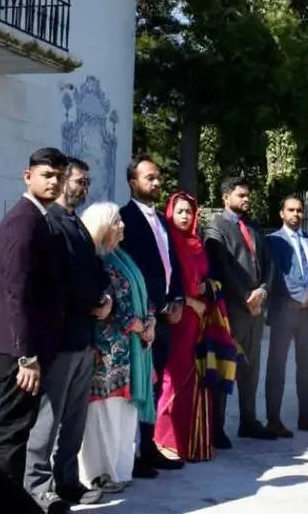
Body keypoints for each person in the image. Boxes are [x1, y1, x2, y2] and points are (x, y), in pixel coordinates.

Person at [0, 147, 67, 514]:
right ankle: (7, 507)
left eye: (59, 176)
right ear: (27, 176)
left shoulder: (38, 217)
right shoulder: (22, 221)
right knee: (12, 433)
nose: (54, 181)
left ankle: (15, 502)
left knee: (21, 429)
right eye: (47, 175)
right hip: (17, 351)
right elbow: (15, 293)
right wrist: (26, 355)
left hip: (28, 347)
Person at [25, 158, 109, 507]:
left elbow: (96, 272)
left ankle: (68, 480)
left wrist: (104, 298)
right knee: (49, 418)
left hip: (84, 338)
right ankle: (37, 486)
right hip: (60, 340)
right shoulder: (52, 224)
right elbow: (55, 284)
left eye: (87, 182)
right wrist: (89, 302)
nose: (83, 188)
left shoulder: (77, 224)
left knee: (75, 419)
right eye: (79, 181)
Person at [155, 192, 244, 461]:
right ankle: (166, 440)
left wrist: (207, 287)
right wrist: (190, 301)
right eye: (180, 211)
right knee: (174, 377)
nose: (185, 216)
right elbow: (165, 283)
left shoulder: (197, 244)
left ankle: (193, 443)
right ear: (170, 213)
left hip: (200, 319)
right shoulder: (166, 243)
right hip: (178, 317)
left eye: (189, 212)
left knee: (198, 375)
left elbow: (206, 276)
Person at [77, 202, 156, 493]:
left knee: (124, 415)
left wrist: (150, 322)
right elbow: (104, 304)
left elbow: (142, 295)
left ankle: (121, 471)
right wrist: (138, 325)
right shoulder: (97, 261)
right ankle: (101, 473)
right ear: (101, 227)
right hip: (108, 357)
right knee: (105, 416)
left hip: (133, 350)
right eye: (115, 222)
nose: (122, 226)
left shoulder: (122, 256)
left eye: (121, 221)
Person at [118, 156, 185, 472]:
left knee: (155, 385)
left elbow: (171, 264)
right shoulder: (124, 219)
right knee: (139, 385)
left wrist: (178, 299)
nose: (157, 182)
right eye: (150, 178)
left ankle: (149, 445)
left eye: (158, 177)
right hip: (143, 319)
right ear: (133, 182)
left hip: (166, 317)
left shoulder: (160, 219)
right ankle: (131, 454)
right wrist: (155, 308)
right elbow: (131, 271)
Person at [203, 177, 275, 443]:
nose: (246, 199)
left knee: (251, 369)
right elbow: (222, 268)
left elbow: (269, 264)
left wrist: (263, 291)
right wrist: (246, 297)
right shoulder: (216, 228)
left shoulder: (253, 226)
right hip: (231, 311)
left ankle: (249, 420)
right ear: (225, 197)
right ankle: (217, 428)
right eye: (241, 195)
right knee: (226, 366)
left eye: (247, 195)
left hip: (256, 311)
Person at [266, 194, 308, 437]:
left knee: (306, 368)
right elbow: (277, 275)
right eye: (291, 210)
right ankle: (273, 420)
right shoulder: (272, 241)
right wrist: (302, 295)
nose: (296, 214)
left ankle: (306, 417)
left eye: (299, 210)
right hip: (285, 311)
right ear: (282, 213)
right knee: (277, 367)